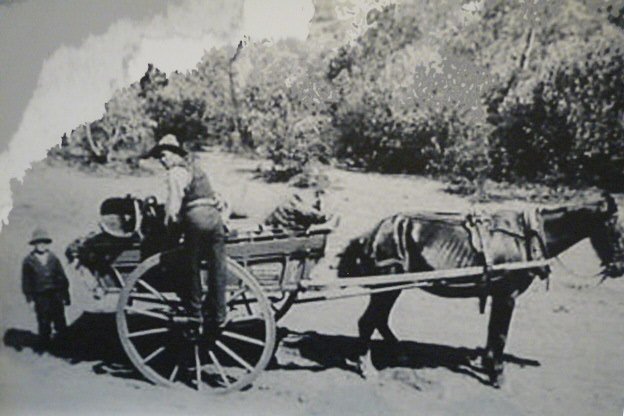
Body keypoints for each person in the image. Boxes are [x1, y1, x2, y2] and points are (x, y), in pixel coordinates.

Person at [147, 134, 227, 331]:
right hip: (215, 220)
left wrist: (168, 231)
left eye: (163, 155)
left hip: (196, 220)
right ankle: (219, 313)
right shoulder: (197, 170)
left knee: (188, 264)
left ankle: (194, 312)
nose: (161, 160)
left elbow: (174, 208)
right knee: (218, 265)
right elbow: (217, 197)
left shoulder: (176, 173)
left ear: (174, 154)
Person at [22, 227, 70, 350]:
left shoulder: (53, 258)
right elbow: (26, 282)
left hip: (55, 293)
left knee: (59, 319)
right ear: (34, 245)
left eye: (44, 242)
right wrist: (30, 299)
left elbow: (62, 277)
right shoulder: (29, 261)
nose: (41, 245)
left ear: (47, 244)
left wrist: (65, 295)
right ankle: (45, 345)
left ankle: (63, 345)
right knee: (44, 320)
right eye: (38, 243)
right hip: (40, 295)